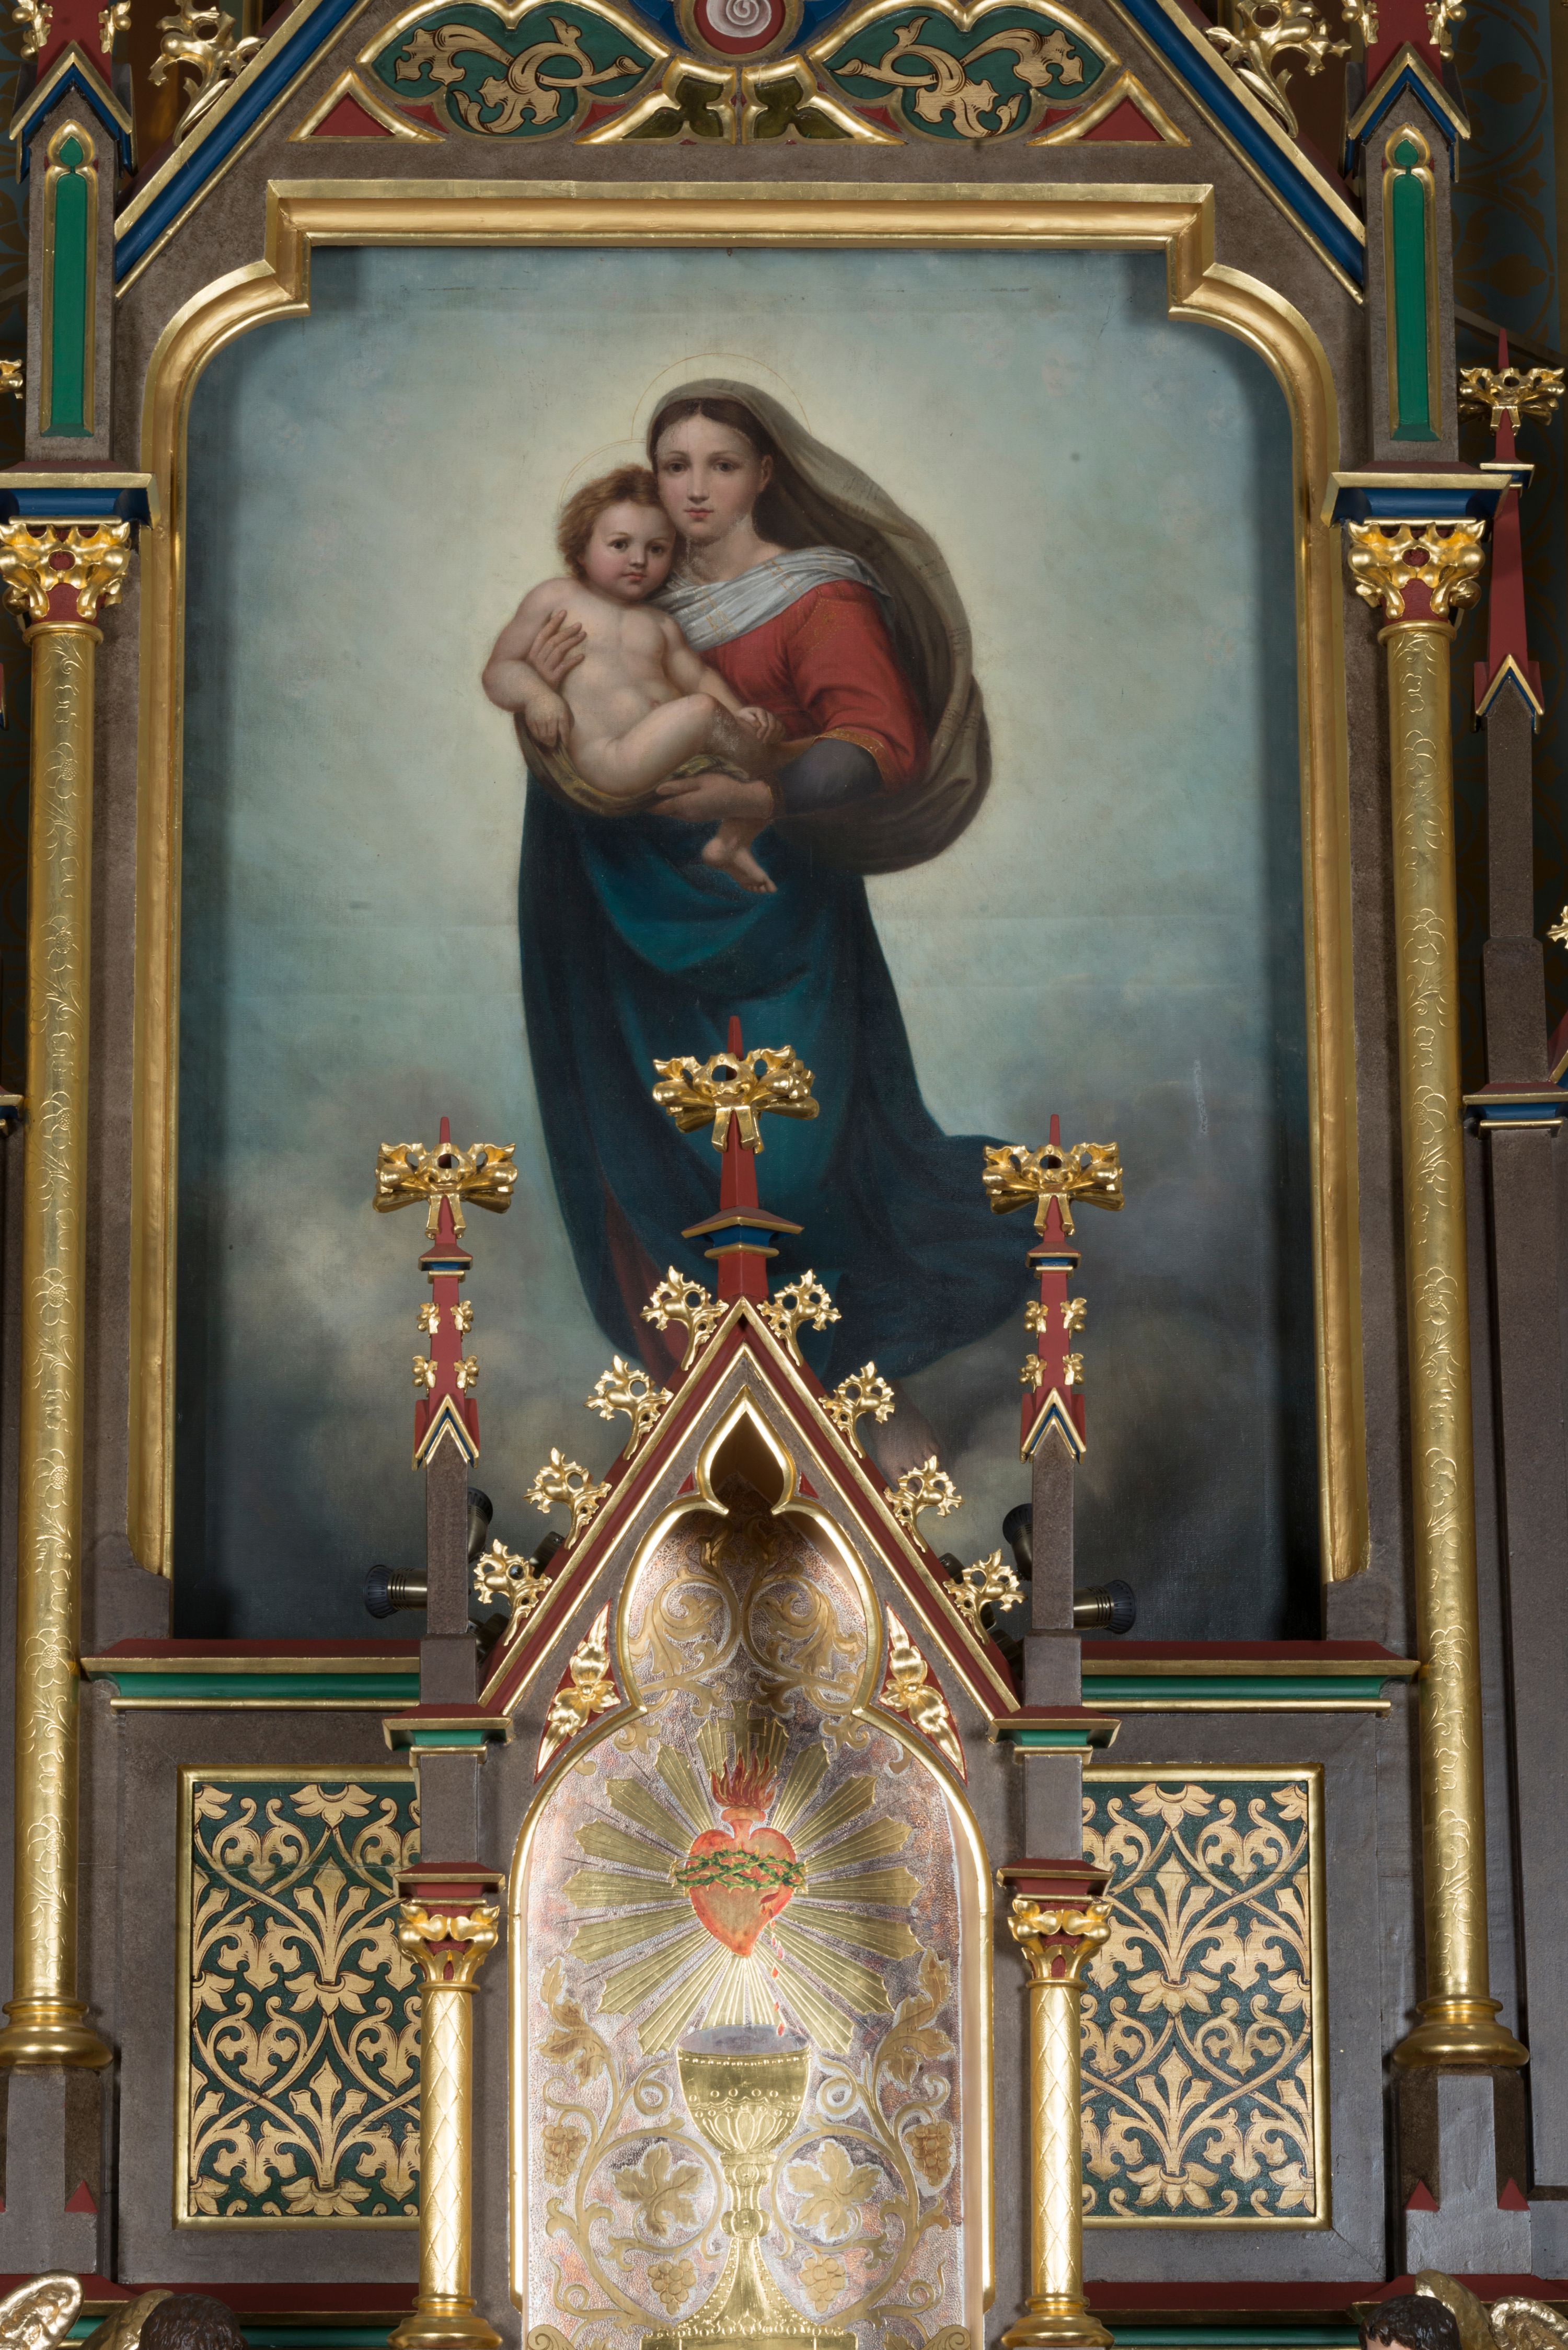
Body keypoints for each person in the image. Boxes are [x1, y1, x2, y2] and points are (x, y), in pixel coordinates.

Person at [509, 380, 1024, 1388]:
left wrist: (762, 791)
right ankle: (714, 1407)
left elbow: (883, 743)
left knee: (787, 1170)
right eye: (676, 466)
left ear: (765, 476)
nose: (696, 489)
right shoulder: (623, 596)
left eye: (722, 465)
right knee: (654, 1163)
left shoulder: (816, 594)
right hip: (627, 930)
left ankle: (827, 1404)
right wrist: (546, 707)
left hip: (774, 925)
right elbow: (562, 719)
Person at [482, 465, 783, 893]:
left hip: (665, 760)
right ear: (581, 548)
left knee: (753, 746)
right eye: (620, 544)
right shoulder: (557, 597)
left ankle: (731, 843)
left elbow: (698, 676)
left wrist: (741, 713)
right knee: (711, 718)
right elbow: (500, 670)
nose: (639, 560)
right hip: (609, 761)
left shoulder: (661, 624)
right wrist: (537, 696)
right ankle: (755, 796)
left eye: (657, 549)